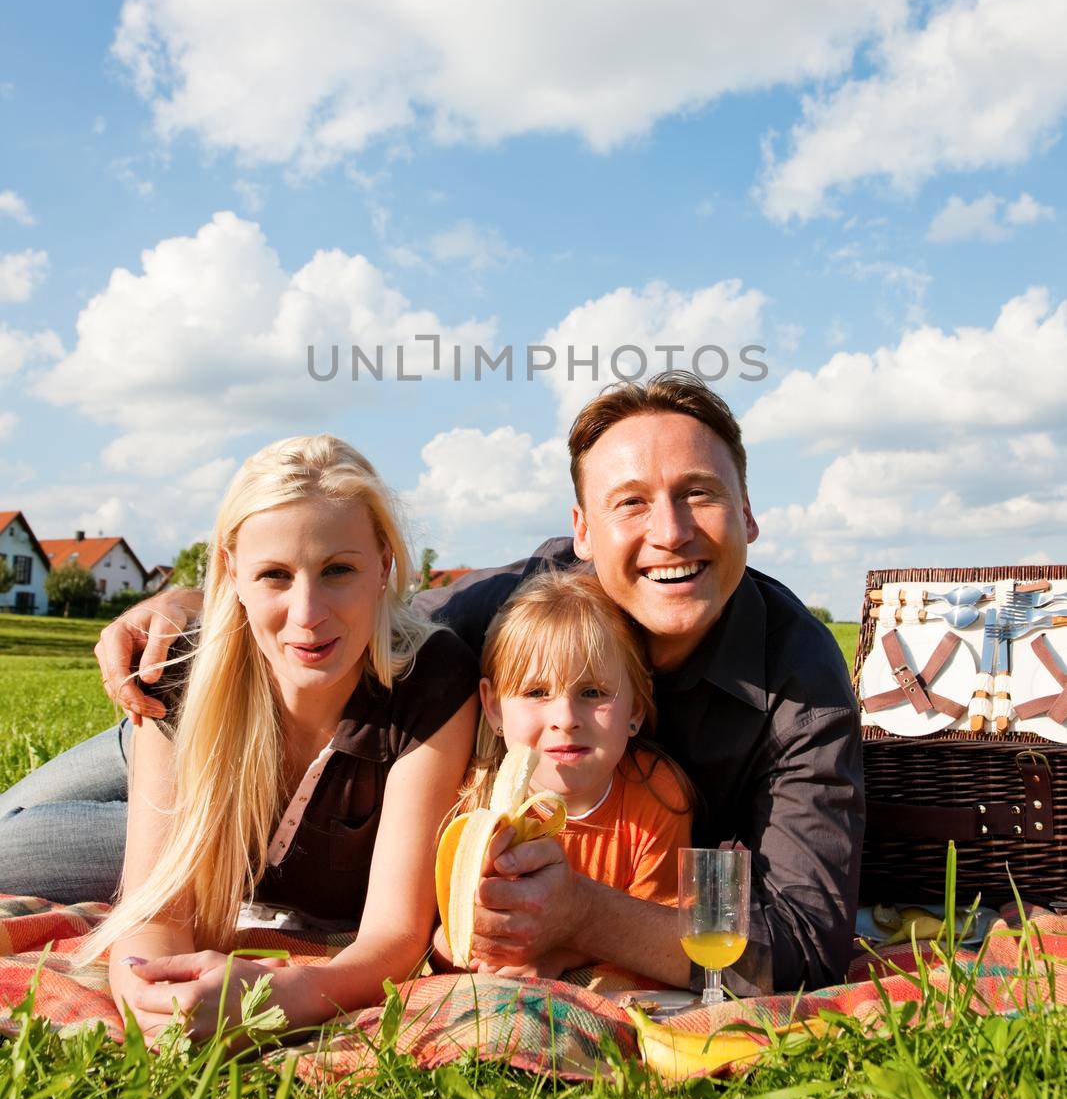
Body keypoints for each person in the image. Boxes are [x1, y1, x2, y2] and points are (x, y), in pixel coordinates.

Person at [3, 373, 864, 997]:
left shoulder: (800, 681)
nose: (669, 532)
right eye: (630, 502)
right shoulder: (523, 599)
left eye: (700, 494)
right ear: (582, 531)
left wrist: (585, 916)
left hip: (297, 806)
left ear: (748, 513)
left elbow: (807, 942)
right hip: (209, 719)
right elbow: (353, 604)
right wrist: (211, 600)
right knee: (16, 824)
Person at [77, 434, 477, 1040]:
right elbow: (156, 905)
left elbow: (395, 937)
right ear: (231, 574)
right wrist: (148, 985)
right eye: (274, 576)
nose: (307, 612)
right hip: (159, 776)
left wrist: (288, 994)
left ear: (385, 568)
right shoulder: (181, 670)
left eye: (338, 570)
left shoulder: (431, 680)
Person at [436, 566, 692, 977]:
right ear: (494, 706)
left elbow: (657, 937)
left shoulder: (658, 799)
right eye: (537, 693)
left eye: (592, 693)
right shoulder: (468, 799)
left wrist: (555, 955)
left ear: (636, 709)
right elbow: (438, 941)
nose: (566, 718)